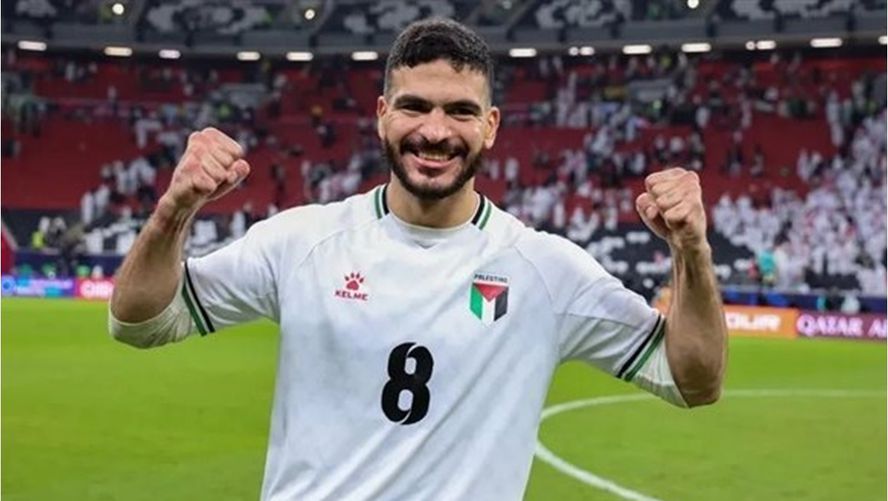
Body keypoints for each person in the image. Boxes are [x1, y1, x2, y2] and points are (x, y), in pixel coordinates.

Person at [109, 18, 727, 501]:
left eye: (460, 111)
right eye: (414, 106)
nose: (435, 131)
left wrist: (691, 251)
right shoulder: (303, 242)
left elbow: (693, 381)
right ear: (382, 116)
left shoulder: (545, 270)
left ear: (491, 126)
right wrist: (174, 209)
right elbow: (139, 321)